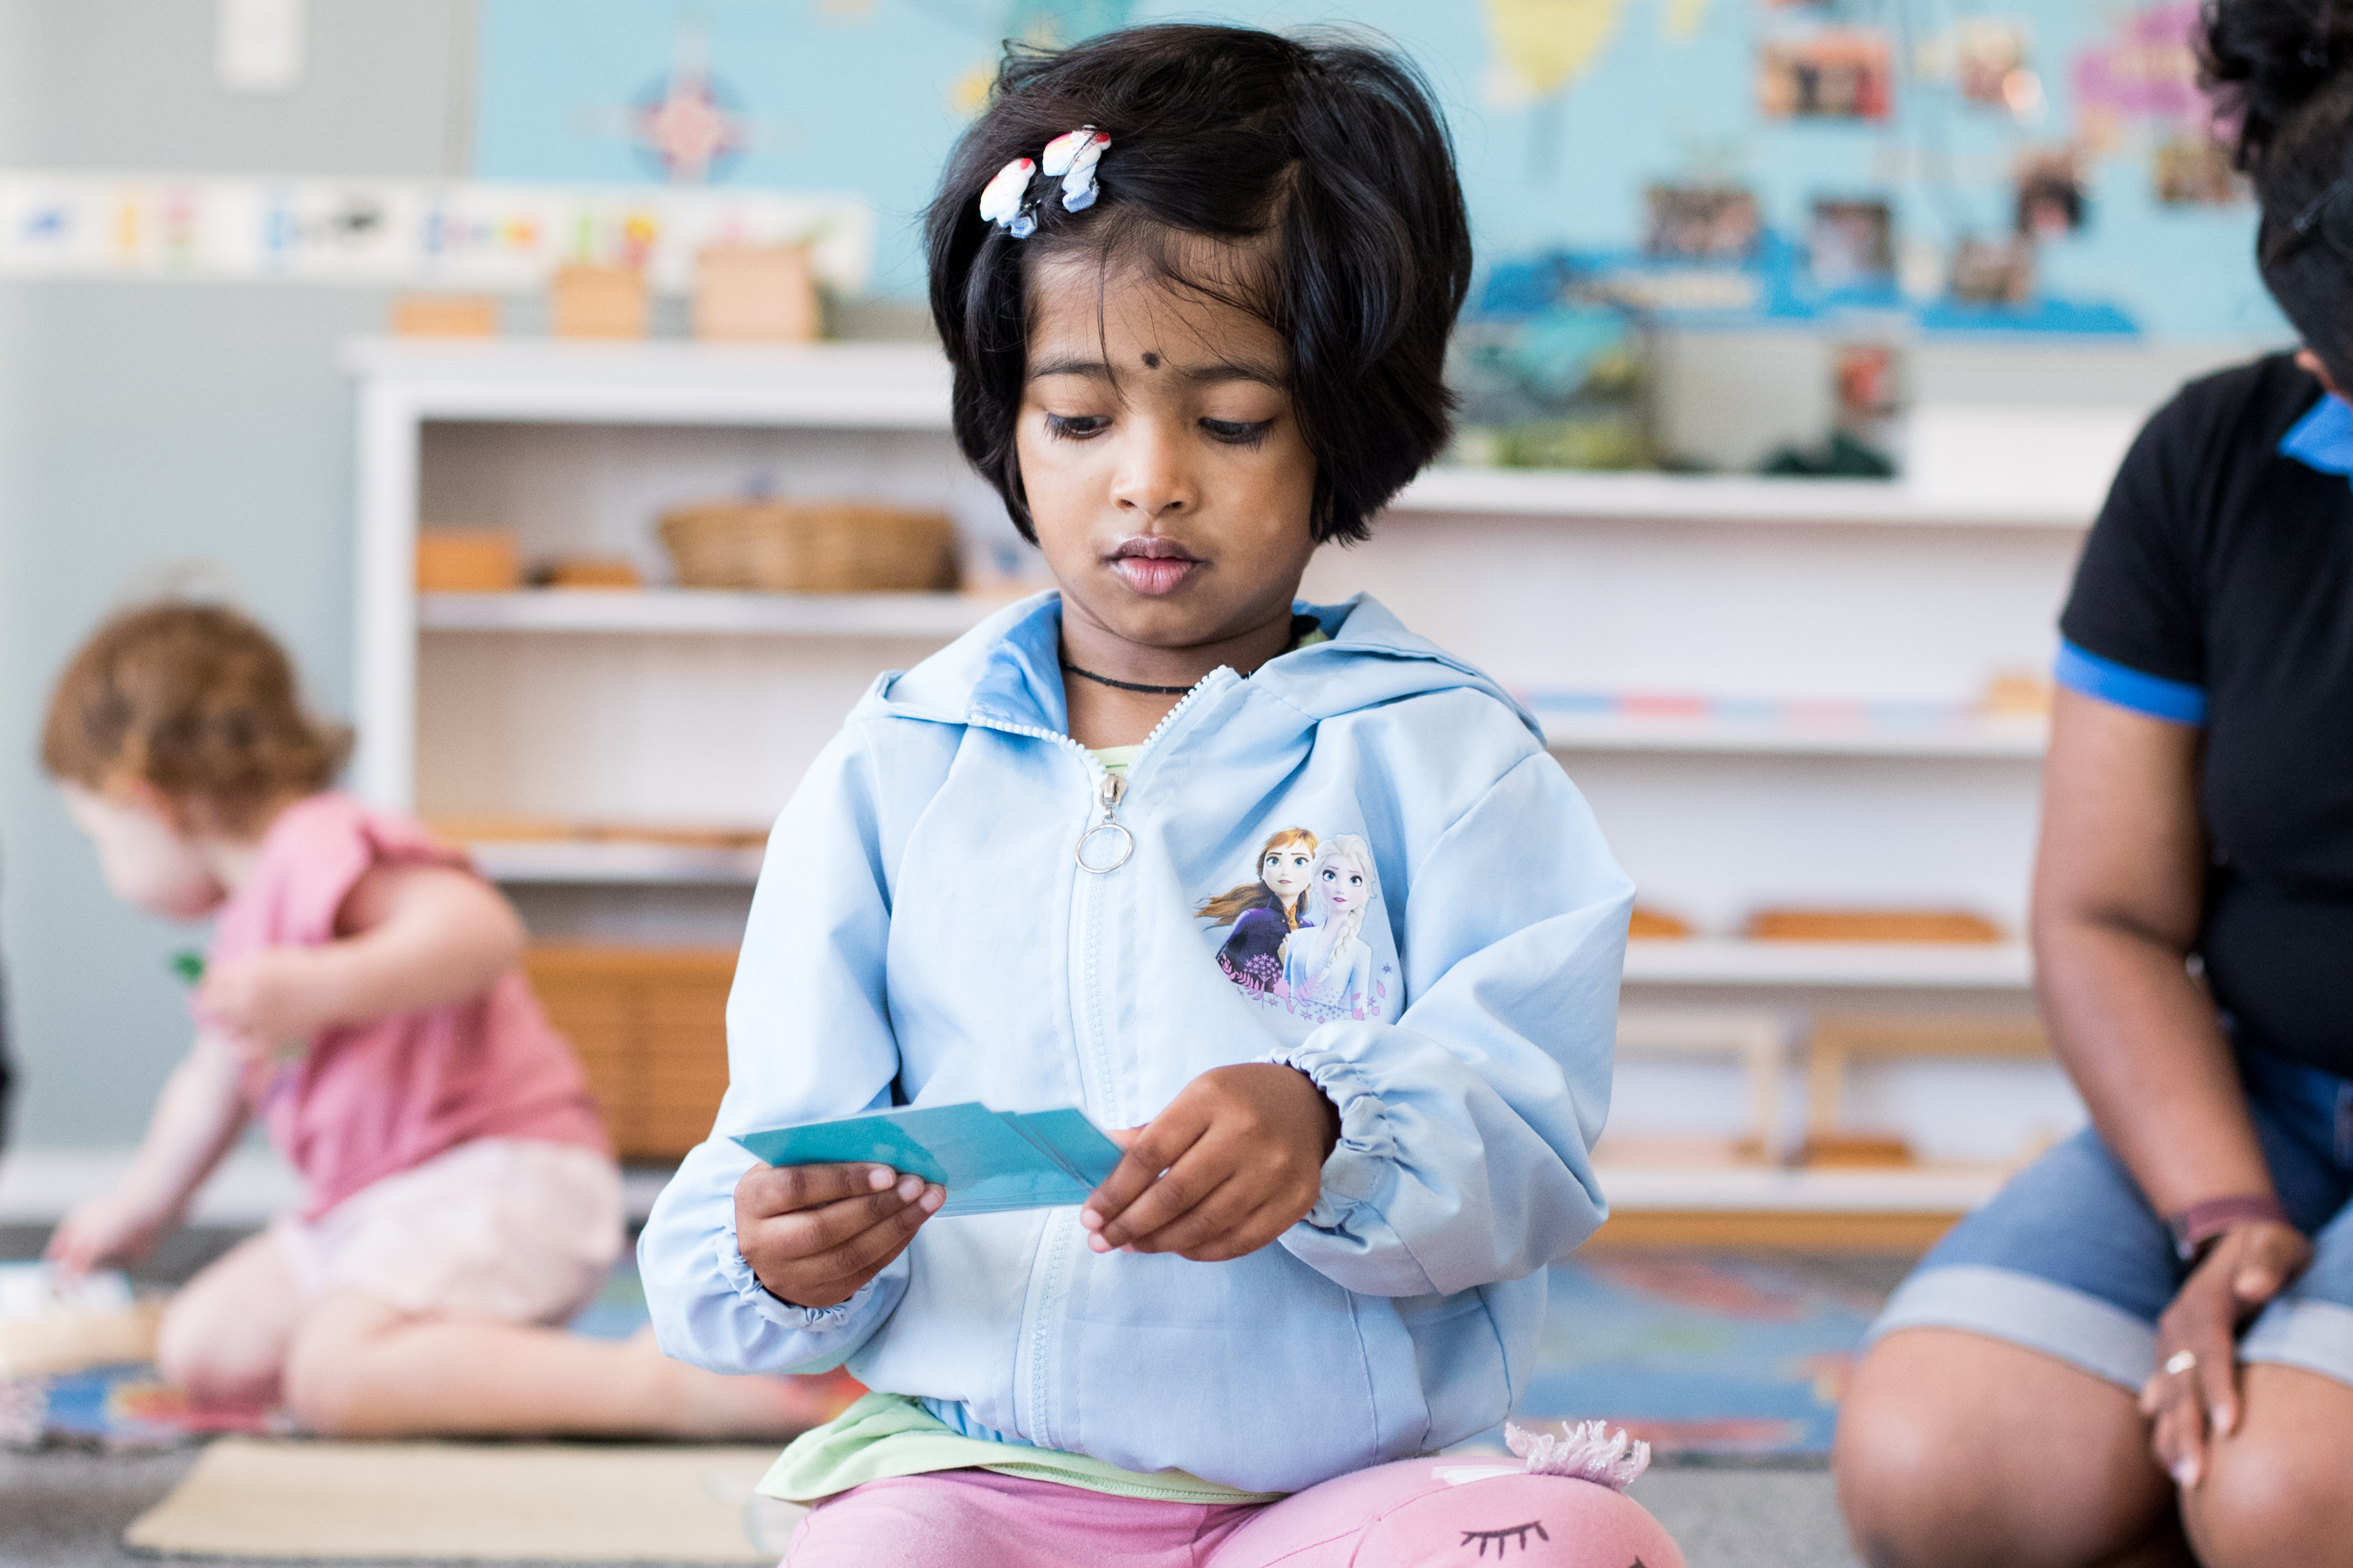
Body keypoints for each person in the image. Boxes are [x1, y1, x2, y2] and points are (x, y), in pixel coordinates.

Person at [641, 24, 1671, 1568]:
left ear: (1341, 432)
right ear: (1007, 425)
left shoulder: (1444, 761)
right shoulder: (896, 768)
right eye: (1079, 417)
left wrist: (1330, 1127)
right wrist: (779, 1247)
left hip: (1341, 1491)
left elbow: (1526, 1136)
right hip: (982, 1480)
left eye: (1233, 421)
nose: (1149, 478)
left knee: (1568, 1547)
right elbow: (772, 1158)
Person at [1834, 4, 2353, 1564]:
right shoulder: (2211, 459)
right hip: (2260, 1101)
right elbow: (2104, 910)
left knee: (2280, 1491)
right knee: (1940, 1466)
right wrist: (2223, 1212)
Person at [40, 602, 831, 1440]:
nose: (106, 860)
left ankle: (650, 1383)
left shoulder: (318, 842)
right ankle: (458, 1359)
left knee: (330, 1372)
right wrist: (137, 1206)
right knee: (205, 1344)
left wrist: (320, 983)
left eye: (96, 832)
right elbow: (210, 1085)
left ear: (148, 800)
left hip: (495, 1177)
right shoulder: (244, 930)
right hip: (375, 1207)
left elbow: (481, 931)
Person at [1196, 826, 1317, 997]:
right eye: (1275, 861)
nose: (1285, 871)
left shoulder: (1310, 931)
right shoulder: (1252, 921)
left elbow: (1316, 994)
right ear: (1262, 870)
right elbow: (1218, 979)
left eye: (1299, 862)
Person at [1278, 835, 1380, 1019]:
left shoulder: (1360, 952)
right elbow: (1283, 994)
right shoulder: (1298, 938)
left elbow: (1358, 1013)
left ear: (1365, 891)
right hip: (1285, 1029)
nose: (1341, 888)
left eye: (1354, 880)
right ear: (1316, 880)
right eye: (1330, 875)